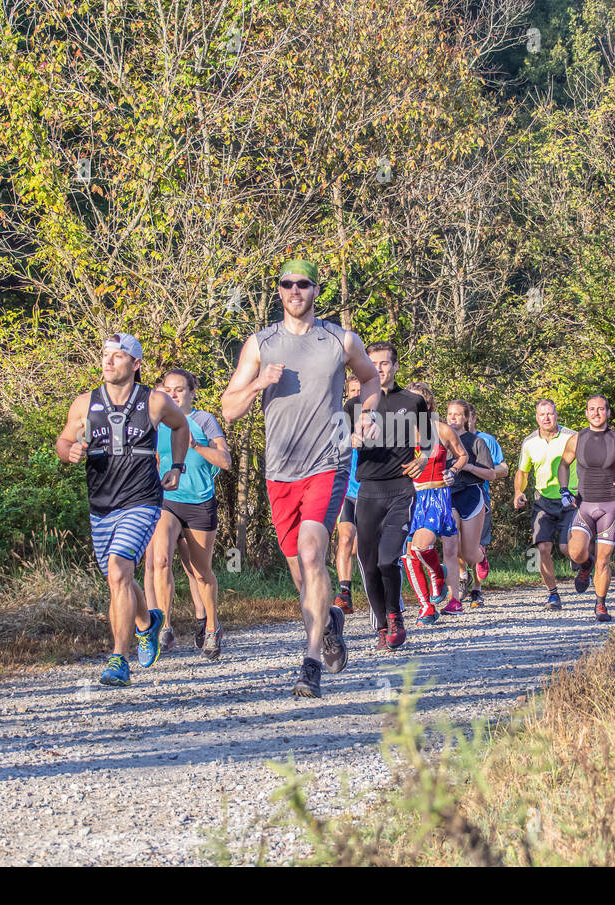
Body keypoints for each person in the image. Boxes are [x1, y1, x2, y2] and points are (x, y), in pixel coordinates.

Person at [220, 259, 381, 698]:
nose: (295, 290)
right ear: (278, 291)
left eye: (303, 284)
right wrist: (257, 385)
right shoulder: (260, 344)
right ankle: (329, 620)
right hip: (279, 472)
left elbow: (370, 379)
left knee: (313, 556)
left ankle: (310, 662)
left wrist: (365, 418)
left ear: (314, 290)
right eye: (288, 284)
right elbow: (229, 409)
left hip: (327, 462)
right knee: (299, 572)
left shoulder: (339, 339)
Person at [56, 334, 190, 687]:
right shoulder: (85, 403)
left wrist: (177, 466)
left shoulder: (154, 401)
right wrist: (68, 451)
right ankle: (147, 623)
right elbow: (64, 439)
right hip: (101, 504)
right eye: (105, 355)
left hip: (142, 500)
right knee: (120, 579)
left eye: (118, 356)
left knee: (119, 572)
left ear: (136, 364)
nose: (109, 361)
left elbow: (181, 425)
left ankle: (118, 659)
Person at [343, 342, 428, 650]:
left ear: (394, 366)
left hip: (400, 489)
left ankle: (395, 616)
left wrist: (423, 458)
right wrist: (350, 438)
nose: (378, 368)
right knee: (367, 563)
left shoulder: (412, 400)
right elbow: (340, 438)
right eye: (372, 363)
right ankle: (381, 623)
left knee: (388, 558)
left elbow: (428, 439)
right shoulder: (354, 406)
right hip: (368, 491)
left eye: (383, 363)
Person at [144, 368, 230, 661]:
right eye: (168, 389)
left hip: (199, 501)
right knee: (160, 559)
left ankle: (211, 626)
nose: (173, 394)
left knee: (200, 572)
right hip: (166, 500)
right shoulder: (156, 421)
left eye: (180, 389)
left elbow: (225, 461)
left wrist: (196, 444)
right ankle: (165, 625)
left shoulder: (204, 420)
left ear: (192, 392)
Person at [555, 395, 615, 623]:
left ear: (608, 413)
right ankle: (585, 566)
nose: (596, 413)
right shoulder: (577, 439)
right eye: (592, 409)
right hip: (584, 505)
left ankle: (600, 604)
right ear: (586, 413)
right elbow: (563, 464)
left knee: (604, 560)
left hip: (610, 508)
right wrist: (564, 489)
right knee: (575, 552)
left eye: (600, 409)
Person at [402, 383, 467, 623]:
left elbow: (462, 455)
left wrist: (454, 471)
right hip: (409, 496)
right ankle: (426, 607)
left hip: (436, 496)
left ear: (429, 405)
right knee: (408, 556)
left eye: (419, 401)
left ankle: (438, 573)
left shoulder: (443, 430)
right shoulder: (400, 432)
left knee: (421, 547)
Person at [514, 399, 576, 610]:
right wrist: (518, 492)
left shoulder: (572, 436)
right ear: (537, 417)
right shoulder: (529, 442)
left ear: (556, 415)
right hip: (543, 501)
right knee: (543, 547)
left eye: (550, 413)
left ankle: (579, 560)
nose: (547, 418)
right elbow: (523, 472)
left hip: (571, 498)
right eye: (542, 414)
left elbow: (588, 463)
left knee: (568, 548)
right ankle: (553, 595)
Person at [445, 399, 498, 611]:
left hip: (471, 495)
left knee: (468, 554)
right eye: (450, 414)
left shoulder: (477, 442)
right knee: (450, 548)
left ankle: (480, 556)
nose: (453, 418)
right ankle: (454, 599)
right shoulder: (442, 441)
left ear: (466, 418)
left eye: (458, 414)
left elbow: (491, 474)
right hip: (448, 496)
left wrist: (467, 466)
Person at [468, 406, 507, 595]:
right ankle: (460, 577)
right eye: (455, 415)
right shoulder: (449, 437)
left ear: (474, 418)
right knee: (455, 540)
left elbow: (503, 469)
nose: (461, 420)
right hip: (453, 493)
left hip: (479, 495)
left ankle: (476, 587)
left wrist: (482, 470)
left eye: (465, 416)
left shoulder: (486, 440)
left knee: (477, 544)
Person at [334, 377, 362, 614]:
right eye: (352, 391)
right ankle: (345, 593)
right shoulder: (339, 424)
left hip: (372, 492)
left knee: (357, 548)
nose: (356, 394)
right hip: (347, 491)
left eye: (360, 390)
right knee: (345, 538)